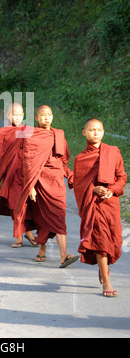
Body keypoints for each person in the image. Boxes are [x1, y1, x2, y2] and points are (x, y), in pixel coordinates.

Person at [14, 105, 79, 268]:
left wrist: (70, 176)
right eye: (43, 115)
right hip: (40, 181)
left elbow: (63, 160)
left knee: (58, 214)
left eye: (49, 114)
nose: (47, 118)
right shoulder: (30, 134)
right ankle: (53, 253)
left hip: (56, 181)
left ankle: (59, 254)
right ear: (36, 118)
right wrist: (31, 186)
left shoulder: (59, 134)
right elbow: (27, 161)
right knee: (43, 216)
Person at [73, 118, 127, 297]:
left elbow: (122, 178)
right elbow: (79, 185)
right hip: (93, 206)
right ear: (84, 133)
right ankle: (107, 282)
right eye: (91, 130)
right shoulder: (81, 159)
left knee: (114, 242)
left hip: (110, 205)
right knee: (101, 242)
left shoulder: (113, 152)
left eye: (99, 130)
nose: (95, 132)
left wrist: (111, 190)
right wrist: (93, 189)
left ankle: (103, 268)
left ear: (103, 132)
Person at [0, 103, 37, 247]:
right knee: (14, 204)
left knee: (23, 204)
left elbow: (33, 153)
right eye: (14, 114)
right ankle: (20, 236)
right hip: (10, 174)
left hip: (24, 173)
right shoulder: (4, 132)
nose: (17, 117)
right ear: (7, 115)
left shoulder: (28, 130)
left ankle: (26, 232)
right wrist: (0, 177)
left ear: (23, 115)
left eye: (19, 114)